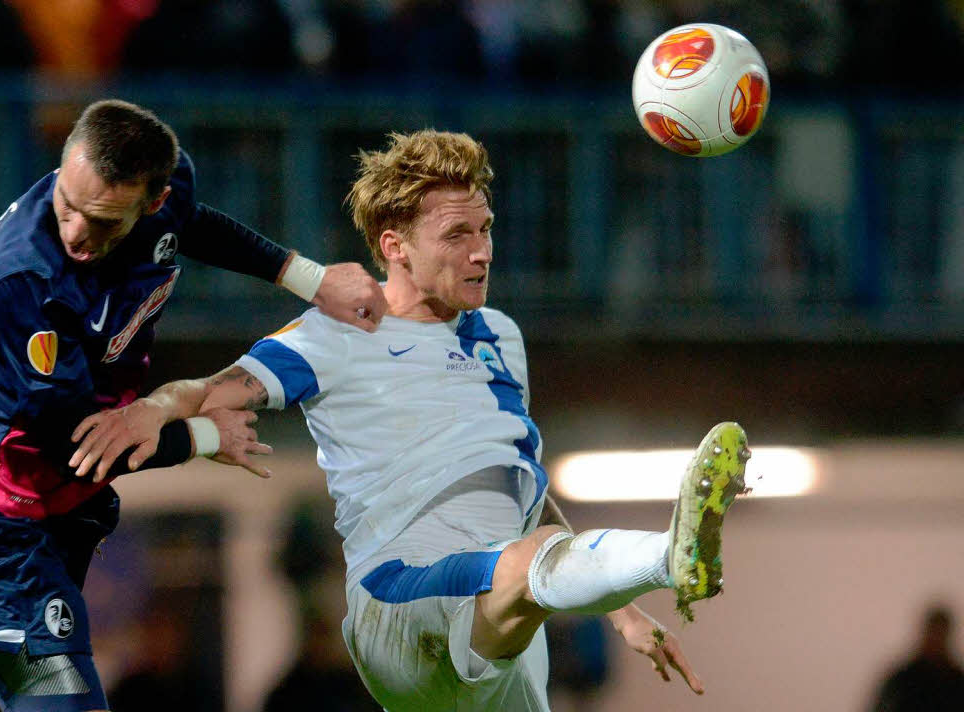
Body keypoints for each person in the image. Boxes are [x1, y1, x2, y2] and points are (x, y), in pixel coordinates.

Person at [71, 129, 751, 711]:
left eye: (484, 229)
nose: (481, 250)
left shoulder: (500, 336)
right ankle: (672, 555)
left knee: (527, 551)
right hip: (400, 601)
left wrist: (619, 611)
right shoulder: (337, 333)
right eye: (457, 234)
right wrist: (154, 408)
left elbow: (521, 486)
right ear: (394, 245)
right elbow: (212, 389)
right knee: (527, 561)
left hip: (501, 611)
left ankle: (658, 565)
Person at [0, 99, 386, 712]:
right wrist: (202, 436)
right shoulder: (24, 281)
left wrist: (309, 278)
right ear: (63, 166)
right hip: (4, 507)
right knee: (61, 698)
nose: (74, 232)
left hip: (59, 500)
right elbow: (77, 445)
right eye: (66, 205)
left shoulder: (168, 192)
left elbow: (193, 224)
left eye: (99, 220)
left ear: (151, 200)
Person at [869, 604, 964, 712]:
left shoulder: (958, 683)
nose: (936, 641)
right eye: (934, 633)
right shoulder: (902, 681)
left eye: (940, 634)